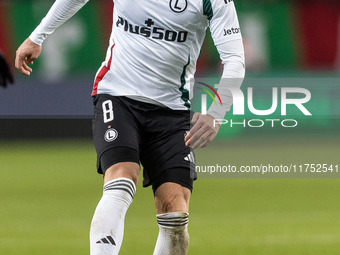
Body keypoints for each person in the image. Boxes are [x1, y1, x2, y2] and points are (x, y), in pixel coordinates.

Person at [15, 0, 245, 254]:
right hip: (118, 95)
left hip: (172, 110)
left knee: (175, 211)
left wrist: (216, 112)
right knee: (123, 176)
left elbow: (235, 59)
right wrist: (37, 36)